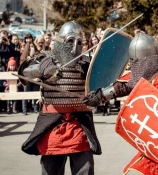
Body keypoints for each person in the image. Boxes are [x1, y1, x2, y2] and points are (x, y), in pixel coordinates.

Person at [83, 33, 158, 175]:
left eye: (136, 62)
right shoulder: (147, 73)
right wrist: (100, 95)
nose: (135, 67)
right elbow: (126, 85)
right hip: (155, 142)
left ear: (145, 60)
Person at [18, 21, 101, 175]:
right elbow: (24, 73)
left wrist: (98, 97)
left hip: (79, 125)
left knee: (85, 170)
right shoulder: (45, 59)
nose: (75, 47)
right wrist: (43, 69)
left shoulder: (87, 64)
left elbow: (101, 88)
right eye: (70, 41)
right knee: (51, 171)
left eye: (79, 42)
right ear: (60, 41)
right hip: (52, 125)